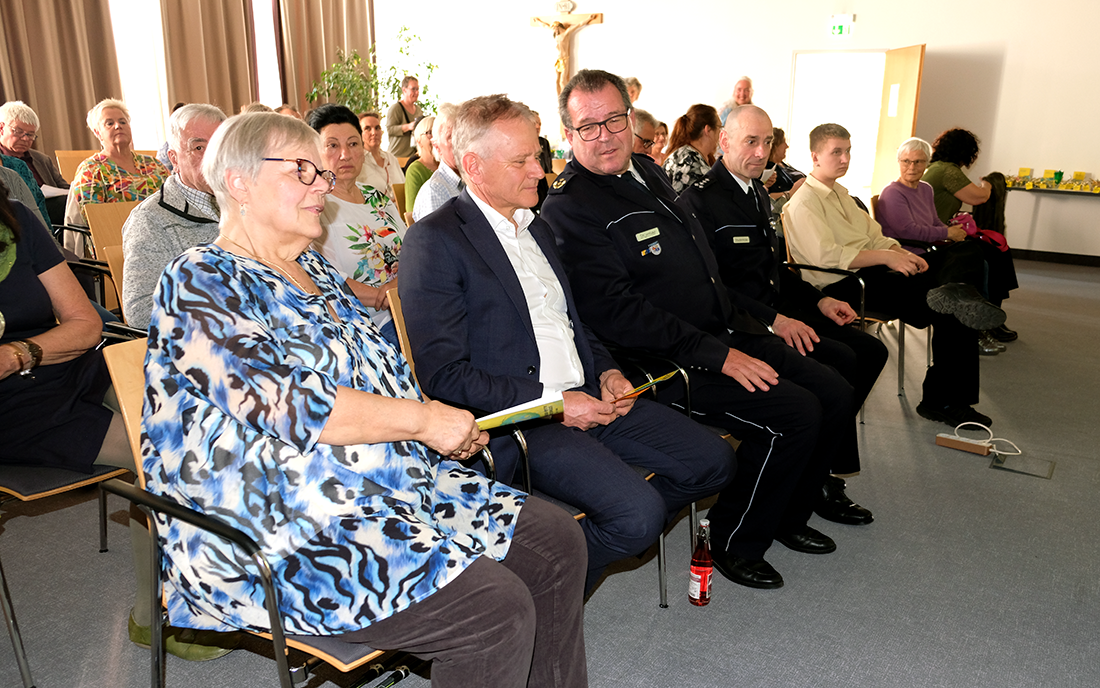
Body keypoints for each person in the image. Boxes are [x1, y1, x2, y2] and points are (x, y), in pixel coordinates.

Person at [143, 112, 589, 687]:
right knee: (492, 612)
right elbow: (299, 406)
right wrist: (425, 422)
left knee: (557, 543)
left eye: (322, 172)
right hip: (283, 523)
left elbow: (382, 376)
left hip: (384, 483)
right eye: (303, 170)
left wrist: (446, 426)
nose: (323, 185)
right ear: (239, 183)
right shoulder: (202, 280)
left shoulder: (314, 271)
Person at [399, 94, 735, 593]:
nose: (541, 169)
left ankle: (554, 565)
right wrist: (554, 404)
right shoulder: (437, 240)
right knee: (638, 517)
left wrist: (606, 371)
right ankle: (537, 591)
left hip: (590, 397)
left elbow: (574, 323)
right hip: (525, 421)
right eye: (522, 161)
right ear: (473, 166)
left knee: (714, 462)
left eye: (537, 153)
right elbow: (444, 374)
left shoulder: (539, 227)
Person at [543, 69, 852, 591]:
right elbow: (620, 314)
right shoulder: (571, 206)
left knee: (832, 387)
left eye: (614, 120)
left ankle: (785, 516)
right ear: (569, 135)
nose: (605, 136)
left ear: (630, 118)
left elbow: (700, 266)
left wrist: (748, 328)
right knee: (794, 413)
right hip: (663, 362)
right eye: (588, 127)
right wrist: (720, 355)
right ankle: (734, 541)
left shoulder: (647, 169)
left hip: (717, 333)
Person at [0, 181, 237, 660]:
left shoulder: (18, 221)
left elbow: (85, 325)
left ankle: (239, 578)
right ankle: (158, 615)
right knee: (159, 455)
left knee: (202, 423)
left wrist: (21, 351)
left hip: (68, 362)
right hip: (15, 409)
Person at [677, 104, 887, 526]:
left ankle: (820, 468)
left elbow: (774, 271)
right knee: (838, 368)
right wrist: (776, 322)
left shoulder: (756, 192)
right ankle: (817, 481)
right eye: (750, 141)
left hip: (774, 308)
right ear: (724, 142)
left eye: (767, 141)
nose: (760, 152)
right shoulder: (700, 201)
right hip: (742, 322)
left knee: (869, 352)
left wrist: (819, 300)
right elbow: (717, 288)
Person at [783, 123, 1004, 428]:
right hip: (845, 285)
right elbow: (828, 258)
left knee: (966, 253)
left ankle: (957, 292)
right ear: (815, 156)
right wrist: (888, 256)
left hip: (875, 270)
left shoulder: (843, 196)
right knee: (955, 310)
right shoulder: (804, 202)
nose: (845, 158)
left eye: (848, 151)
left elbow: (876, 236)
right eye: (836, 152)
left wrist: (901, 253)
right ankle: (943, 401)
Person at [121, 104, 226, 330]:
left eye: (219, 146)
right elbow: (140, 312)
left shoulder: (246, 201)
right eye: (199, 147)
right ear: (174, 159)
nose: (212, 158)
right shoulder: (150, 220)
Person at [309, 104, 407, 345]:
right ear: (314, 151)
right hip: (365, 323)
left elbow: (411, 250)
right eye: (332, 145)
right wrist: (378, 296)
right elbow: (323, 278)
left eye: (353, 143)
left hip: (406, 305)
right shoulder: (313, 204)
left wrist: (397, 287)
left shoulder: (377, 197)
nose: (345, 154)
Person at [923, 128, 1018, 343]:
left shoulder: (938, 168)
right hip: (935, 238)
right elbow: (979, 197)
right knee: (993, 255)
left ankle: (992, 316)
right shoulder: (948, 171)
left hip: (941, 233)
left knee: (997, 251)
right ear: (966, 152)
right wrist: (988, 183)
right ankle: (988, 320)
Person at [64, 99, 170, 231]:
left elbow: (177, 199)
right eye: (109, 123)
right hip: (116, 237)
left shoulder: (154, 164)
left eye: (122, 122)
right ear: (98, 133)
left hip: (165, 231)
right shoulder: (91, 169)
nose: (117, 126)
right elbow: (95, 219)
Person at [0, 101, 69, 225]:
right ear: (1, 129)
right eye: (19, 132)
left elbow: (64, 188)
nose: (25, 138)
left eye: (30, 134)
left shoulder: (42, 159)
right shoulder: (2, 162)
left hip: (53, 213)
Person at [412, 103, 463, 221]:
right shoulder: (435, 191)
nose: (459, 142)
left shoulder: (474, 183)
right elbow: (439, 239)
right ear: (437, 146)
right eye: (451, 137)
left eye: (463, 135)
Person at [662, 104, 721, 194]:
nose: (720, 134)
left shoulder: (687, 154)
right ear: (708, 130)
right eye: (719, 128)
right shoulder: (689, 162)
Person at [356, 111, 404, 203]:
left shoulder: (391, 159)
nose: (374, 132)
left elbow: (404, 187)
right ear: (359, 134)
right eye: (367, 128)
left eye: (377, 128)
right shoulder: (358, 162)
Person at [765, 126, 806, 213]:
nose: (787, 146)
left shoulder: (782, 165)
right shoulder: (767, 170)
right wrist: (791, 192)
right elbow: (768, 198)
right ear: (775, 146)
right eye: (783, 142)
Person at [403, 115, 437, 212]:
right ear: (419, 140)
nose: (434, 138)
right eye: (430, 133)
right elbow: (411, 212)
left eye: (437, 133)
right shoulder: (415, 170)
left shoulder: (448, 166)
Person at [385, 75, 423, 157]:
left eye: (417, 89)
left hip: (413, 156)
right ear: (404, 90)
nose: (416, 92)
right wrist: (408, 127)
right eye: (413, 89)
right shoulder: (396, 108)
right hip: (397, 156)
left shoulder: (418, 110)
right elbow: (390, 129)